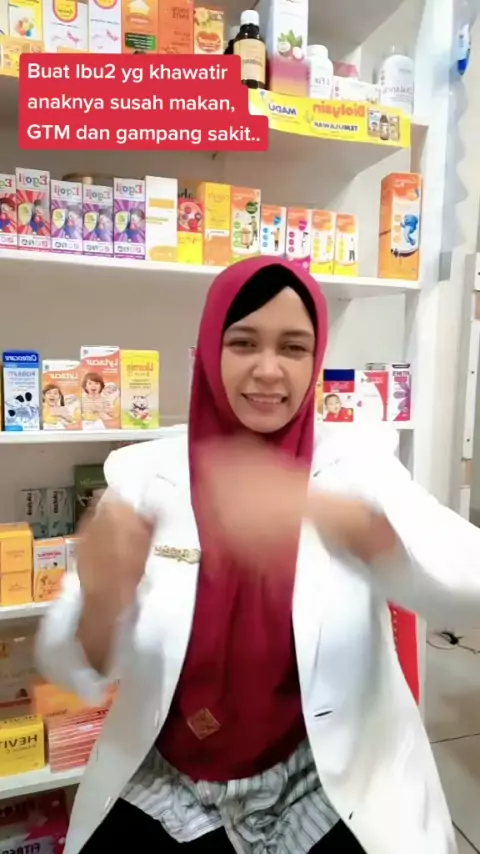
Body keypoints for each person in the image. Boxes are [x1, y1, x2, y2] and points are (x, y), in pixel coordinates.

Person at [37, 256, 480, 854]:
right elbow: (70, 668)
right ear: (208, 352)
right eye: (243, 342)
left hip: (323, 779)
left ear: (315, 359)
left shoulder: (361, 463)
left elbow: (469, 584)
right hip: (173, 783)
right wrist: (103, 600)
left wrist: (340, 521)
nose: (268, 370)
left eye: (294, 348)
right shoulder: (140, 477)